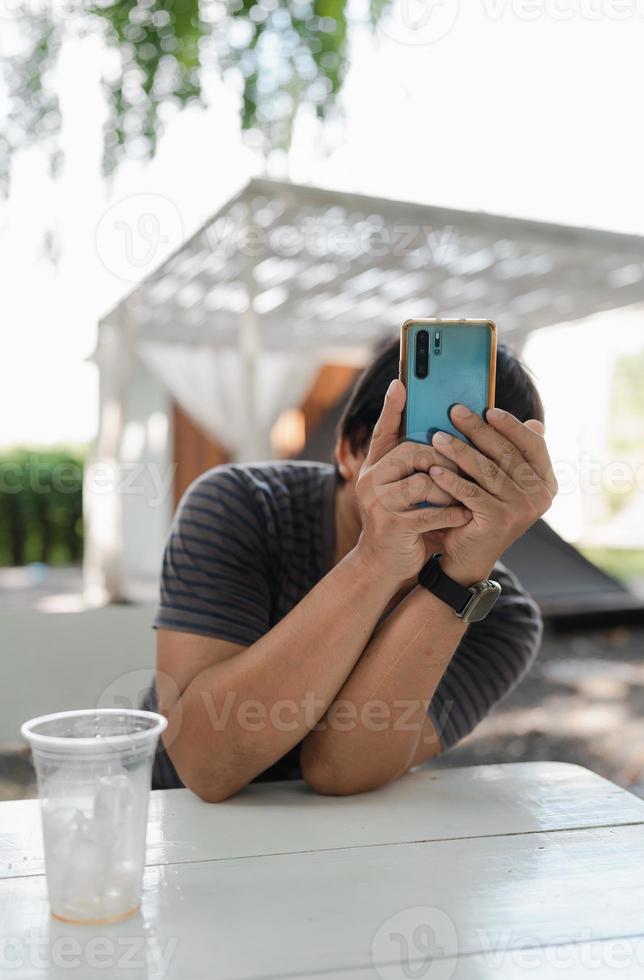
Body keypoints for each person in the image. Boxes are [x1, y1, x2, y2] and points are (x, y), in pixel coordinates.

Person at [143, 339, 557, 801]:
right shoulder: (243, 506)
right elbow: (204, 764)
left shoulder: (499, 617)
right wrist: (374, 561)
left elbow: (338, 771)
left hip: (347, 849)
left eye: (487, 470)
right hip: (170, 827)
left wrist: (461, 575)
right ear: (349, 450)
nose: (451, 485)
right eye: (427, 453)